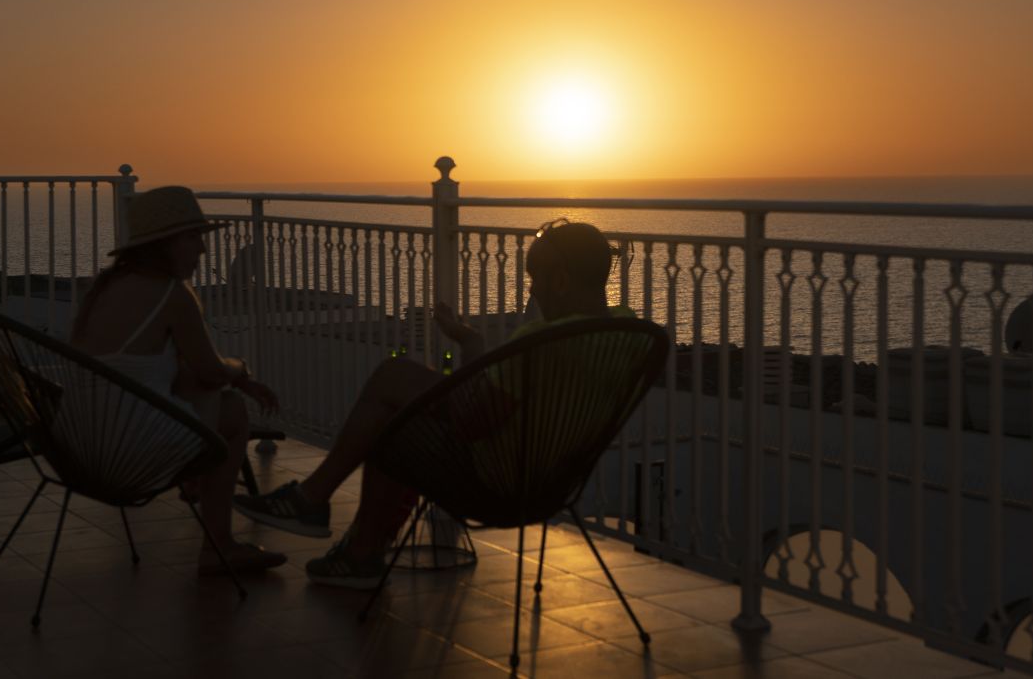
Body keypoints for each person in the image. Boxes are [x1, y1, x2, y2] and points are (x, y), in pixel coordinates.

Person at [233, 220, 633, 588]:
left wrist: (468, 350)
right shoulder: (628, 335)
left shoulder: (542, 343)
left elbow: (471, 423)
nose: (531, 291)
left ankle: (329, 517)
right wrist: (470, 353)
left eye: (535, 279)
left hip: (495, 482)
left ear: (560, 280)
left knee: (395, 386)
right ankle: (347, 540)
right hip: (554, 483)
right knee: (401, 401)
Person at [71, 185, 287, 575]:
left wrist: (224, 377)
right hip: (129, 455)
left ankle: (196, 481)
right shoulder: (172, 294)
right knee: (233, 412)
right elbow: (213, 370)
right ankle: (218, 543)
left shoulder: (104, 289)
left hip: (80, 445)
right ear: (166, 244)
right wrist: (243, 372)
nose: (202, 251)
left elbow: (187, 372)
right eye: (193, 239)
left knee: (194, 384)